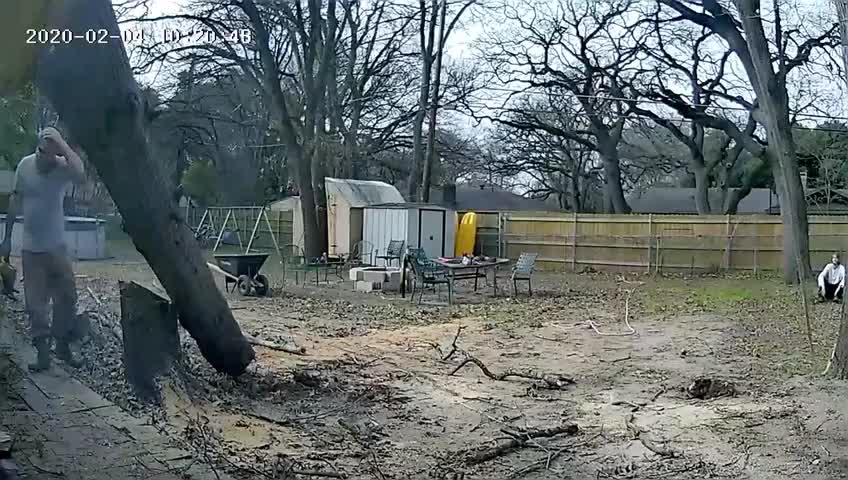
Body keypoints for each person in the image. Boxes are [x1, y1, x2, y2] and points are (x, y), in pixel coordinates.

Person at [0, 127, 85, 372]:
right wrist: (6, 238)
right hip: (31, 249)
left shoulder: (62, 168)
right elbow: (15, 200)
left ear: (56, 155)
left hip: (57, 247)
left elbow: (80, 174)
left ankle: (62, 345)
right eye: (40, 150)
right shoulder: (25, 165)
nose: (41, 157)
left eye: (48, 154)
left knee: (67, 298)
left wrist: (63, 144)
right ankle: (43, 354)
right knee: (35, 305)